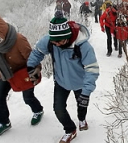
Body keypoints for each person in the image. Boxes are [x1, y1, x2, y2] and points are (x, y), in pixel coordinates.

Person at [27, 11, 99, 143]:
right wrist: (31, 66)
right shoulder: (51, 41)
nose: (56, 45)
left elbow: (92, 69)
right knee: (58, 109)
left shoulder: (83, 46)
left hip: (80, 83)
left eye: (59, 41)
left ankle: (82, 119)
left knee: (82, 104)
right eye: (53, 42)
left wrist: (87, 91)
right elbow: (37, 52)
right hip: (60, 82)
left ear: (67, 36)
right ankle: (70, 130)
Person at [0, 12, 43, 136]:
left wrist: (34, 74)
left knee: (28, 98)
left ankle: (38, 110)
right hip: (6, 73)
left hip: (24, 73)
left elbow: (32, 58)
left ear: (0, 31)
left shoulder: (18, 39)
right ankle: (4, 122)